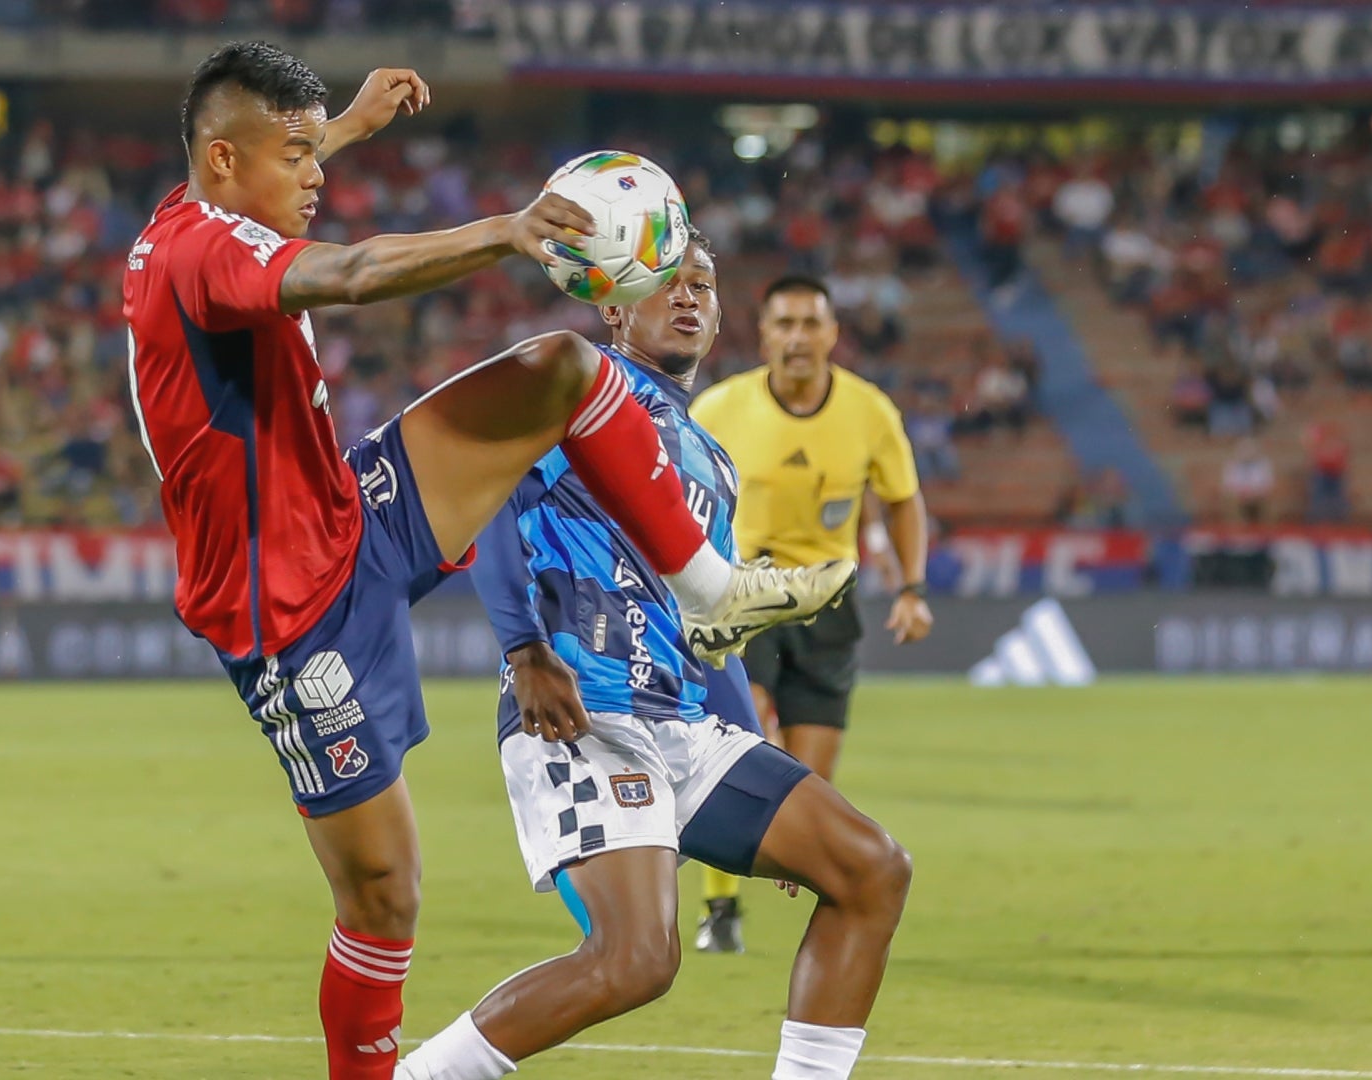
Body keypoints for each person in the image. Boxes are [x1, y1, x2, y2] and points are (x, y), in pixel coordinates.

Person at [121, 43, 851, 1080]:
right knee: (385, 897)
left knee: (560, 367)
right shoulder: (205, 256)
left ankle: (708, 586)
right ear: (228, 161)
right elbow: (359, 272)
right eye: (298, 157)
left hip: (350, 512)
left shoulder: (211, 202)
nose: (316, 175)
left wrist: (353, 126)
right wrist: (507, 233)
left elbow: (278, 167)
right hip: (288, 613)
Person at [395, 232, 909, 1080]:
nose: (688, 297)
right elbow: (492, 504)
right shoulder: (582, 389)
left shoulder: (713, 457)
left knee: (870, 868)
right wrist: (524, 650)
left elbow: (712, 623)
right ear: (611, 305)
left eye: (703, 286)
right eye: (666, 282)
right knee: (636, 960)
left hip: (685, 721)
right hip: (581, 707)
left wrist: (764, 765)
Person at [688, 275, 932, 954]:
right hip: (742, 596)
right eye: (784, 324)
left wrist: (913, 587)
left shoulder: (870, 411)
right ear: (764, 334)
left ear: (832, 334)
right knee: (746, 739)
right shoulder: (718, 408)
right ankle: (721, 907)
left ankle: (802, 878)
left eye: (809, 324)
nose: (797, 338)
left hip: (830, 603)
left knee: (809, 777)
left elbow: (903, 499)